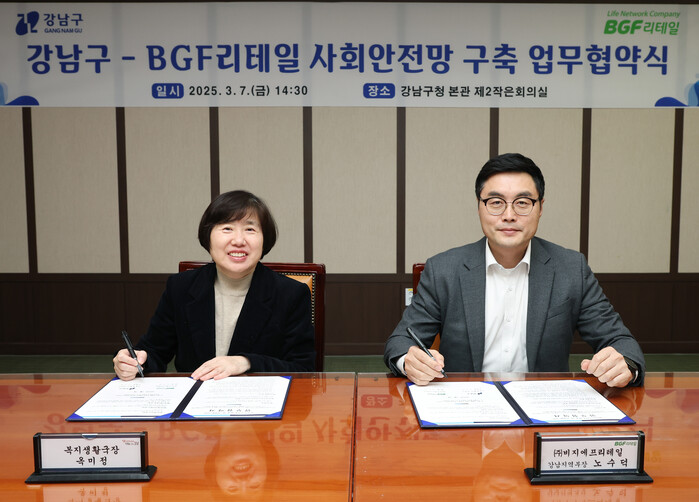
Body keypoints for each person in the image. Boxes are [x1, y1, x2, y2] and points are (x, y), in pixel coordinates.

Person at [384, 153, 645, 387]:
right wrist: (409, 360)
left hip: (542, 408)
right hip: (465, 406)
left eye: (522, 202)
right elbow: (400, 342)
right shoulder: (443, 270)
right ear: (479, 207)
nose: (509, 215)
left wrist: (623, 364)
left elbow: (623, 344)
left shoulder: (570, 269)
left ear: (540, 208)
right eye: (496, 202)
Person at [113, 190, 315, 380]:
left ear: (265, 240)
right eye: (227, 228)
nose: (238, 240)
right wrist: (134, 362)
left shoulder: (290, 294)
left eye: (250, 229)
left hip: (260, 401)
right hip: (195, 400)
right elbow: (154, 351)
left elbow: (303, 369)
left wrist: (245, 362)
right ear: (208, 236)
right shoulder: (181, 287)